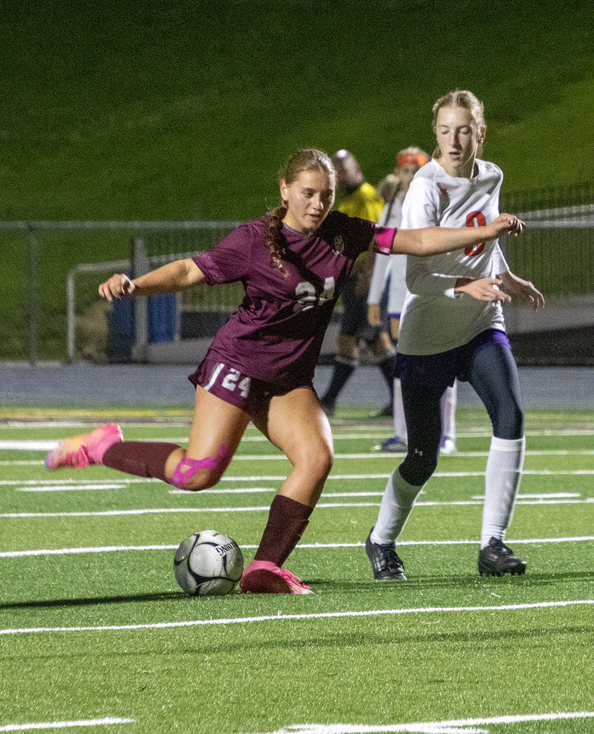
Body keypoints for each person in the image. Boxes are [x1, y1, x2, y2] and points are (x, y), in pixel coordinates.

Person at [44, 147, 525, 595]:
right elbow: (190, 271)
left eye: (326, 195)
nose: (317, 204)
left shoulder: (343, 232)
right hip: (237, 365)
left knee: (316, 458)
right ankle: (104, 445)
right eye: (308, 193)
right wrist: (134, 285)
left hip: (288, 379)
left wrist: (481, 232)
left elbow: (418, 240)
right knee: (198, 474)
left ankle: (264, 566)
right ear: (285, 191)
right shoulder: (253, 240)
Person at [365, 89, 545, 581]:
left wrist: (507, 279)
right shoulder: (426, 186)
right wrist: (469, 284)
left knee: (510, 414)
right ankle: (381, 541)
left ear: (480, 134)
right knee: (422, 457)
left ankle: (493, 543)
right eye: (444, 130)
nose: (453, 140)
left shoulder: (492, 175)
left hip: (481, 324)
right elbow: (417, 279)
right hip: (428, 332)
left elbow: (486, 248)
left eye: (463, 130)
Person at [367, 147, 459, 454]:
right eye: (404, 171)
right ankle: (402, 433)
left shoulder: (435, 202)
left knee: (441, 359)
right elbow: (382, 255)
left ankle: (446, 435)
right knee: (403, 362)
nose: (407, 177)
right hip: (398, 296)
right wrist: (373, 298)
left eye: (414, 171)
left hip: (430, 291)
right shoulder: (390, 205)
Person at [319, 149, 396, 417]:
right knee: (362, 340)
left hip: (367, 280)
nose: (339, 174)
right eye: (336, 170)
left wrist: (369, 277)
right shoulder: (348, 200)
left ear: (358, 170)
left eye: (344, 168)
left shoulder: (365, 195)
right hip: (355, 280)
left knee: (367, 337)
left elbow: (379, 237)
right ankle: (330, 401)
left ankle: (328, 401)